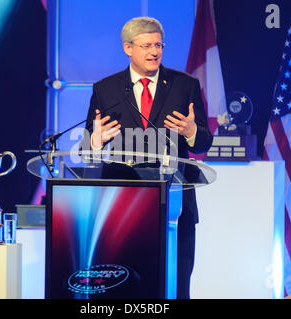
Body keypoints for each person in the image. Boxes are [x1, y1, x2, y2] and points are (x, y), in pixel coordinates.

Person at [84, 16, 212, 299]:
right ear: (128, 48)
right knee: (123, 286)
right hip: (123, 206)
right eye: (146, 46)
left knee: (175, 285)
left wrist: (191, 130)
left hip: (174, 206)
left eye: (158, 45)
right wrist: (95, 140)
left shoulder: (184, 85)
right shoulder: (106, 89)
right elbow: (87, 145)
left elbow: (204, 142)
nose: (154, 52)